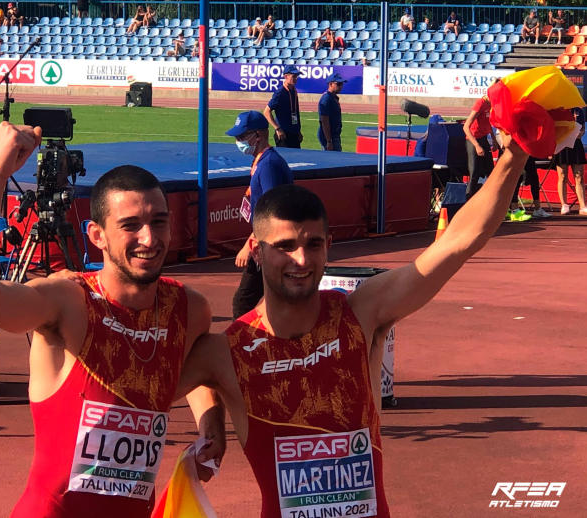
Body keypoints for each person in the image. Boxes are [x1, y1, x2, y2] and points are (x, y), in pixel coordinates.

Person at [181, 133, 532, 516]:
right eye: (284, 247)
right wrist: (210, 417)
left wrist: (516, 155)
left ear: (328, 246)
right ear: (257, 250)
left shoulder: (360, 314)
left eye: (313, 244)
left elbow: (457, 242)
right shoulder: (228, 351)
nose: (301, 259)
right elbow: (144, 387)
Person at [0, 122, 221, 516]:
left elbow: (194, 363)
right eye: (130, 225)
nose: (149, 238)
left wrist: (211, 421)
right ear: (97, 235)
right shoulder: (68, 300)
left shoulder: (189, 309)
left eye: (159, 221)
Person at [226, 111, 293, 320]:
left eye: (242, 137)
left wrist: (250, 243)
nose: (238, 142)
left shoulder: (269, 165)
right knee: (274, 297)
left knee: (243, 301)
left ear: (258, 135)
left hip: (269, 242)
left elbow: (273, 209)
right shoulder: (261, 161)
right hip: (268, 242)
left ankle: (244, 346)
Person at [462, 87, 497, 200]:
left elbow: (488, 123)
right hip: (473, 140)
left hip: (483, 139)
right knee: (474, 174)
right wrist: (477, 145)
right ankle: (467, 203)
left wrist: (494, 140)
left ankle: (489, 201)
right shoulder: (480, 103)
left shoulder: (491, 105)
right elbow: (466, 126)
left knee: (491, 172)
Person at [556, 107, 587, 215]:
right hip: (562, 145)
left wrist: (580, 133)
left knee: (579, 176)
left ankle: (583, 206)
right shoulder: (558, 110)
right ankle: (564, 205)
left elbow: (582, 128)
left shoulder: (579, 110)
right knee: (563, 176)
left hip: (576, 145)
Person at [264, 64, 303, 149]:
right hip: (284, 134)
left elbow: (295, 112)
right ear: (286, 76)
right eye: (294, 76)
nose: (296, 78)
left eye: (297, 76)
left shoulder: (293, 90)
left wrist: (298, 131)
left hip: (294, 133)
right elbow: (266, 111)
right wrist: (277, 129)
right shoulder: (280, 92)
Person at [318, 72, 346, 152]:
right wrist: (329, 141)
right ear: (330, 84)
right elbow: (324, 121)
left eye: (342, 84)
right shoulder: (326, 99)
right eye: (338, 84)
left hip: (334, 135)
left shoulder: (333, 97)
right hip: (330, 136)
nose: (341, 86)